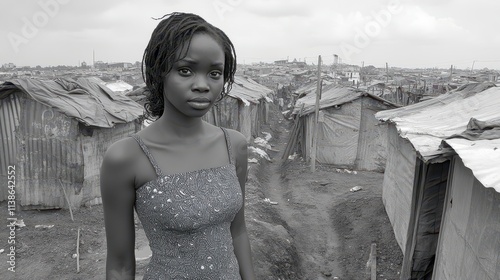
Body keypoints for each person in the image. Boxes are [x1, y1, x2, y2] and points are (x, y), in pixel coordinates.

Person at [100, 12, 255, 280]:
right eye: (185, 70)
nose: (202, 85)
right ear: (160, 72)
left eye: (214, 73)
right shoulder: (127, 157)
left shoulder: (235, 146)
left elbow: (238, 231)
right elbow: (120, 265)